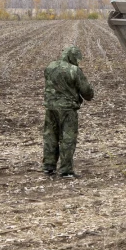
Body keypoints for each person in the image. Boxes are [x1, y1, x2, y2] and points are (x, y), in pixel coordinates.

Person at [43, 45, 94, 178]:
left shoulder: (50, 67)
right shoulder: (74, 70)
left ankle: (48, 166)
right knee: (68, 139)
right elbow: (87, 92)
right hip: (67, 109)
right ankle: (66, 170)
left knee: (50, 136)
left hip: (50, 107)